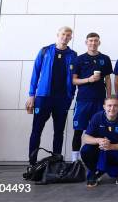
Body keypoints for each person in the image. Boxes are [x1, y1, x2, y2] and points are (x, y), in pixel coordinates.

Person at [26, 26, 77, 164]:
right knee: (36, 130)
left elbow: (74, 77)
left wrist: (70, 96)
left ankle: (56, 163)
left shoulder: (73, 55)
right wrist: (32, 95)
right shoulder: (45, 51)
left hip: (62, 99)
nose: (65, 37)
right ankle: (32, 163)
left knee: (59, 132)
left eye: (68, 35)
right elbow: (35, 73)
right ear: (58, 35)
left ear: (71, 38)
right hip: (43, 98)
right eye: (63, 34)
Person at [71, 32, 113, 162]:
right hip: (83, 100)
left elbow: (108, 79)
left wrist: (109, 97)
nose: (93, 43)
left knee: (101, 131)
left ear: (99, 42)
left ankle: (99, 160)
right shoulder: (79, 59)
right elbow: (74, 81)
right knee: (78, 130)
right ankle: (74, 161)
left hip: (100, 101)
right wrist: (88, 80)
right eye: (90, 41)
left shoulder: (105, 58)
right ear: (86, 42)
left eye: (95, 41)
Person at [80, 95, 118, 187]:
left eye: (115, 105)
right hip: (101, 148)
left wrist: (111, 146)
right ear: (104, 107)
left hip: (117, 149)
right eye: (109, 105)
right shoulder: (97, 117)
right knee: (85, 150)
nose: (112, 108)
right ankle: (94, 171)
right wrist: (99, 140)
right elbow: (86, 138)